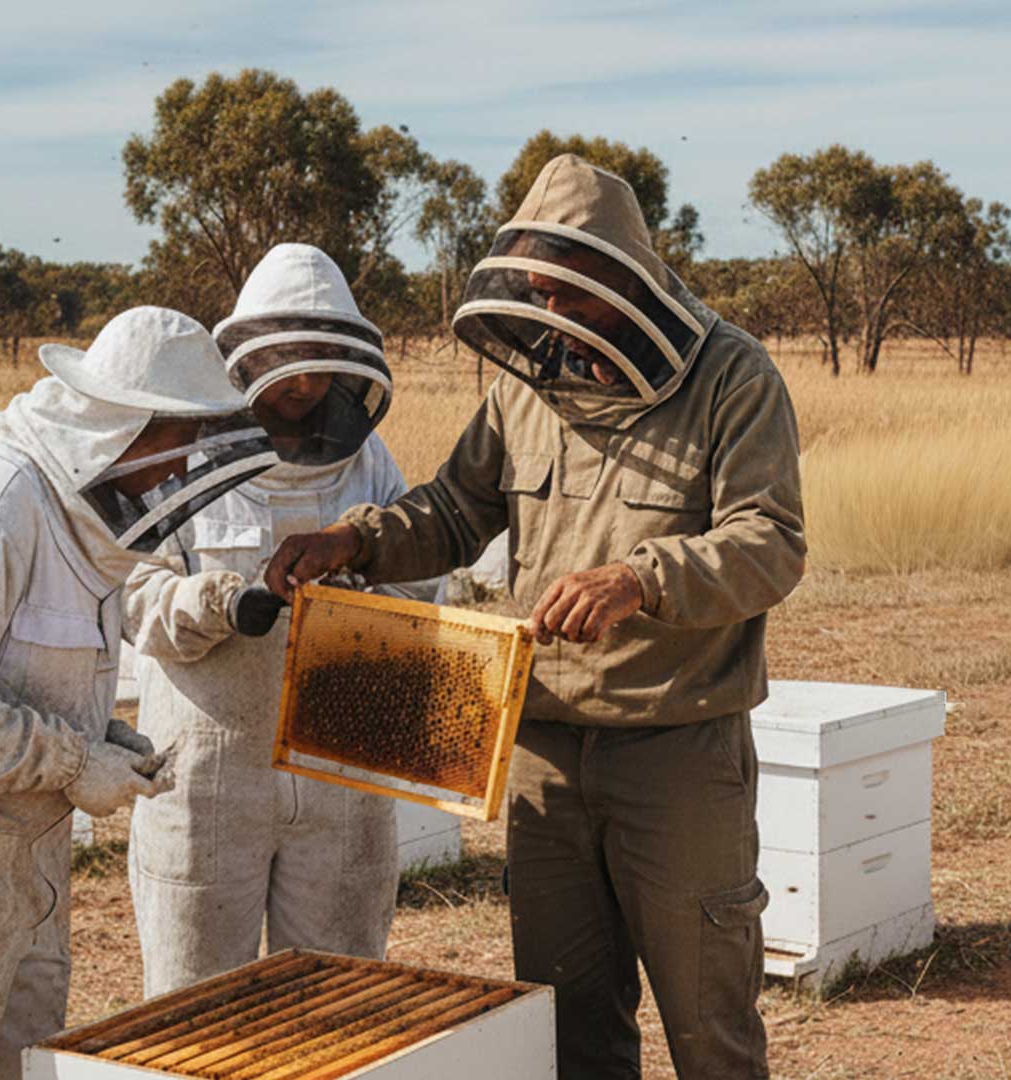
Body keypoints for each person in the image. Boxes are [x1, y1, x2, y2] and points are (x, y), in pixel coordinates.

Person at [264, 155, 806, 1079]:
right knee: (567, 1024)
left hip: (676, 748)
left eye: (576, 297)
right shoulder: (525, 386)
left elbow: (771, 543)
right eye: (541, 294)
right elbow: (454, 510)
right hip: (543, 750)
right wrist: (353, 540)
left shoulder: (732, 377)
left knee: (710, 1027)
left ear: (625, 279)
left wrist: (639, 578)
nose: (557, 317)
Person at [0, 306, 281, 1080]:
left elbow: (18, 672)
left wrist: (101, 735)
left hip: (23, 866)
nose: (179, 472)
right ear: (122, 424)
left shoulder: (81, 518)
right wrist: (73, 762)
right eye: (176, 445)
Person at [125, 243, 436, 996]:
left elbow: (424, 585)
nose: (304, 381)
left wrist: (357, 598)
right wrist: (216, 603)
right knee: (194, 1009)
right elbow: (133, 592)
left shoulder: (368, 461)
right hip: (206, 768)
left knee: (337, 1004)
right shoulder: (183, 449)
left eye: (322, 361)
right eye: (290, 359)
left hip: (342, 765)